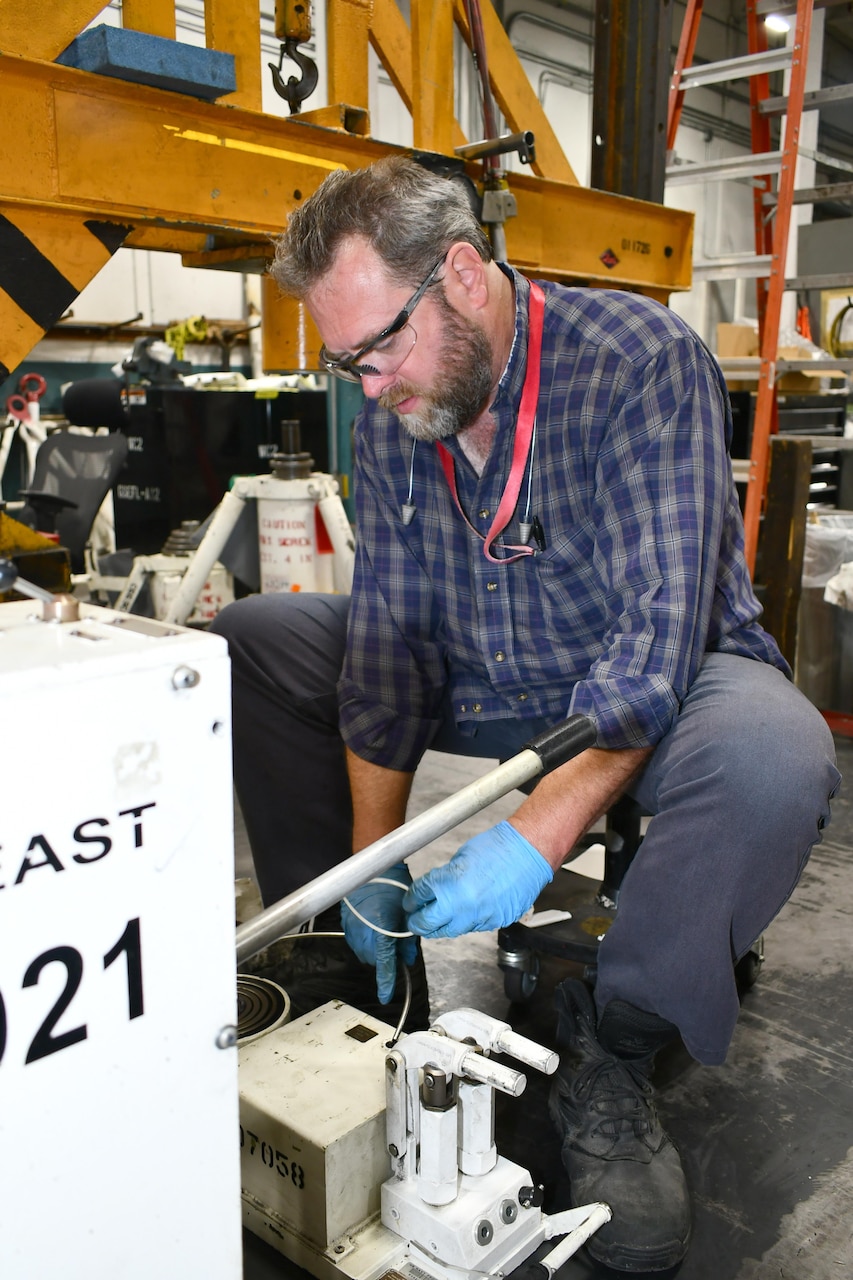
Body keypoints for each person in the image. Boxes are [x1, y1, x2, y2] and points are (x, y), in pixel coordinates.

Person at [211, 156, 839, 1273]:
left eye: (379, 349)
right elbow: (391, 648)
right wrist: (374, 856)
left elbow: (655, 643)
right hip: (487, 676)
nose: (368, 388)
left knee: (769, 755)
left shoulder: (639, 362)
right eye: (343, 361)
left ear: (461, 272)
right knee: (265, 637)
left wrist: (530, 839)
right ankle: (358, 958)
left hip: (657, 681)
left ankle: (615, 1033)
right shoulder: (400, 400)